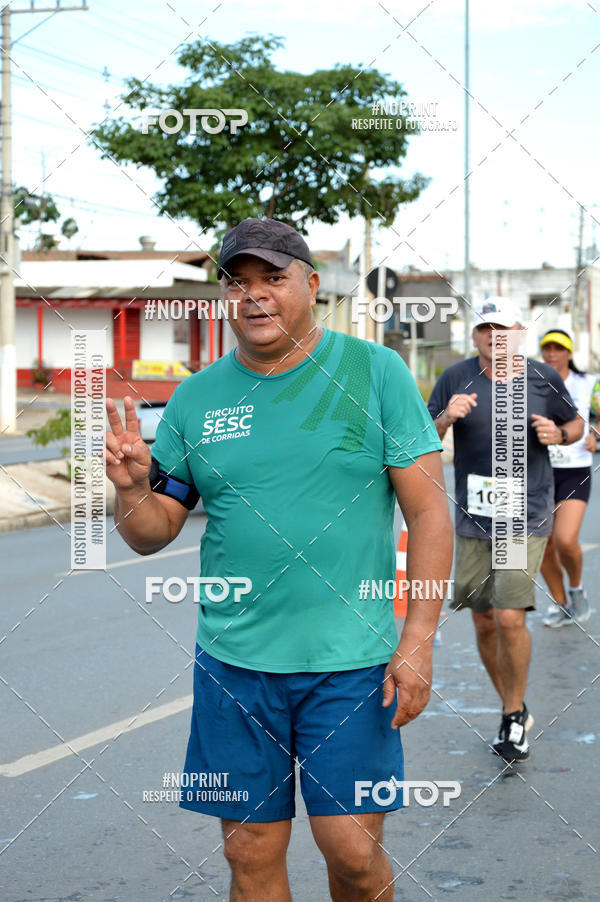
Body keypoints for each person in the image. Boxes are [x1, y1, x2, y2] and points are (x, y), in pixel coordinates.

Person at [104, 218, 453, 902]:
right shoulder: (197, 398)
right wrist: (130, 489)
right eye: (238, 282)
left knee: (352, 853)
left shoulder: (375, 373)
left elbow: (430, 513)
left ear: (312, 285)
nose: (254, 295)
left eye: (273, 277)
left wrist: (418, 639)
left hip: (351, 664)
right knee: (250, 855)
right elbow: (152, 531)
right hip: (235, 666)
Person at [427, 297, 583, 763]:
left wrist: (560, 435)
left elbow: (576, 424)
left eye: (503, 329)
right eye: (485, 328)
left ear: (519, 333)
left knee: (510, 615)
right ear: (474, 334)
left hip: (523, 515)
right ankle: (512, 704)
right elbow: (424, 436)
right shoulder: (454, 377)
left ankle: (512, 717)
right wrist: (446, 417)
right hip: (473, 517)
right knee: (482, 619)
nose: (493, 337)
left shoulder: (543, 377)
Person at [538, 328, 599, 627]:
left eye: (558, 348)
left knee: (564, 539)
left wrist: (595, 434)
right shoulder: (533, 382)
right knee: (542, 545)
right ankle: (560, 603)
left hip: (574, 470)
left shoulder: (590, 383)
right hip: (538, 470)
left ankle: (576, 589)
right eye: (547, 348)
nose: (552, 354)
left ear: (569, 353)